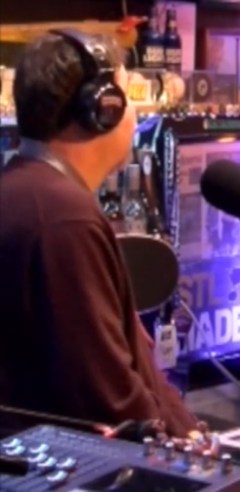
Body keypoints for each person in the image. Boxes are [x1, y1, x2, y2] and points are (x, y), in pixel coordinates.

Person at [0, 30, 198, 437]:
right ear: (102, 110)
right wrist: (180, 448)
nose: (135, 113)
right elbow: (111, 394)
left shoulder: (30, 194)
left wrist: (190, 433)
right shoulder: (63, 218)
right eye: (127, 96)